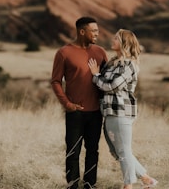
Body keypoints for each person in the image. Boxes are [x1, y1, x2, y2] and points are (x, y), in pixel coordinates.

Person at [88, 29, 158, 189]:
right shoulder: (112, 63)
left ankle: (128, 185)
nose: (112, 40)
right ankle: (147, 179)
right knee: (117, 151)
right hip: (109, 112)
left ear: (124, 44)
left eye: (116, 39)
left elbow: (112, 86)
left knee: (123, 150)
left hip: (121, 112)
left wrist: (96, 76)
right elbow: (103, 84)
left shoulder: (130, 65)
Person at [51, 16, 108, 189]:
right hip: (75, 112)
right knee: (73, 152)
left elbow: (108, 79)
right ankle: (72, 185)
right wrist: (67, 104)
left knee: (93, 151)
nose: (97, 34)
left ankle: (90, 185)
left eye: (98, 30)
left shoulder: (100, 52)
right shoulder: (64, 53)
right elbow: (55, 81)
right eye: (94, 31)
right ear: (82, 31)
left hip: (96, 112)